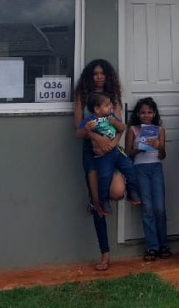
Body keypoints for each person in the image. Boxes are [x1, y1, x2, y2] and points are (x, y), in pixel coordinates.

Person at [74, 59, 127, 271]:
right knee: (98, 204)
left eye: (102, 73)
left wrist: (110, 144)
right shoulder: (82, 97)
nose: (99, 77)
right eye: (95, 73)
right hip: (91, 152)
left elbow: (120, 128)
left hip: (111, 152)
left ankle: (95, 197)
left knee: (117, 192)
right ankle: (105, 254)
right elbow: (78, 131)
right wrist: (97, 139)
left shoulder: (113, 98)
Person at [125, 97, 172, 261]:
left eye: (150, 112)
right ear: (138, 114)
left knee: (160, 208)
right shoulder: (133, 130)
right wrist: (138, 149)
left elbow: (163, 155)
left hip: (156, 168)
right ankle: (152, 246)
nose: (146, 115)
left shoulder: (159, 130)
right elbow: (128, 154)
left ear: (154, 113)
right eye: (143, 112)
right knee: (147, 208)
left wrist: (159, 146)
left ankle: (163, 244)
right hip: (140, 169)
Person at [78, 92, 141, 215]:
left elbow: (122, 128)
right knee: (105, 176)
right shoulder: (90, 121)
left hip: (116, 150)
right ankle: (104, 201)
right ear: (97, 109)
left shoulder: (111, 117)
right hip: (103, 156)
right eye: (107, 105)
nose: (111, 107)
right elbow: (78, 133)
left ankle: (132, 191)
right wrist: (86, 130)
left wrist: (115, 123)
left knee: (129, 166)